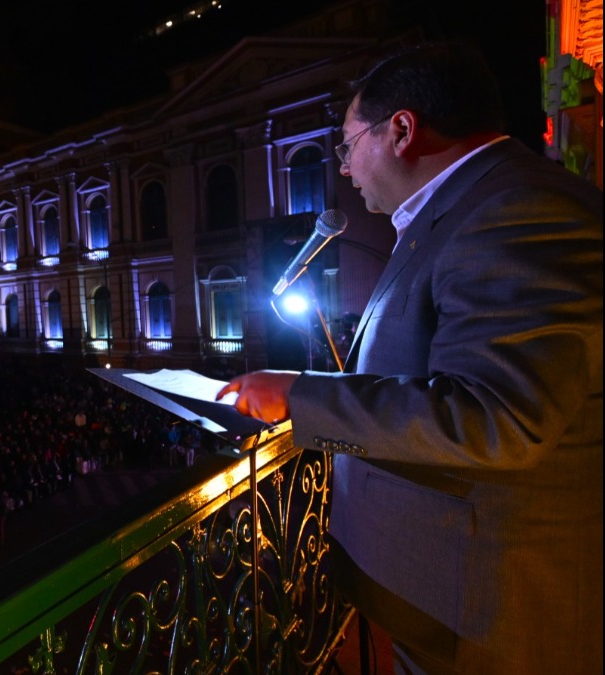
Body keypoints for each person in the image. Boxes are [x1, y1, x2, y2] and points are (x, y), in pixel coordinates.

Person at [218, 42, 602, 674]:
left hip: (493, 612)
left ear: (400, 130)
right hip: (452, 598)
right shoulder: (462, 213)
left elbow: (497, 415)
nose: (343, 169)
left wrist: (300, 395)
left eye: (347, 145)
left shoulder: (517, 210)